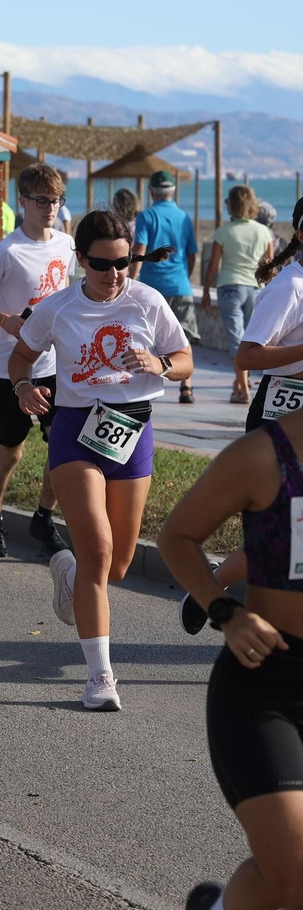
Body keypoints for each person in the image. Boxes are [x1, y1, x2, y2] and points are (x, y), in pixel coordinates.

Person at [9, 210, 189, 711]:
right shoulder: (58, 307)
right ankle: (100, 677)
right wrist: (23, 386)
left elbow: (185, 358)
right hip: (75, 432)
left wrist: (161, 364)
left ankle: (67, 576)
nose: (115, 274)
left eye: (125, 262)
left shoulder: (147, 301)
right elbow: (19, 356)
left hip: (133, 429)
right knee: (99, 551)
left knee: (120, 564)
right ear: (81, 260)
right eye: (103, 264)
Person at [158, 401, 303, 910]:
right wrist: (225, 611)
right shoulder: (265, 455)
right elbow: (177, 537)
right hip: (266, 681)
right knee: (294, 868)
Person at [184, 199, 303, 631]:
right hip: (278, 413)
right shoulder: (290, 286)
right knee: (283, 532)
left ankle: (216, 584)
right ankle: (215, 587)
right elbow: (246, 356)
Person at [0, 163, 75, 558]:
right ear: (22, 201)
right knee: (11, 451)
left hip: (56, 366)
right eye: (41, 200)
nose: (49, 208)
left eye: (56, 200)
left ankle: (43, 518)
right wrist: (5, 320)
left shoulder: (66, 244)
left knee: (63, 446)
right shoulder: (6, 251)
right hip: (9, 366)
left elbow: (70, 292)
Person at [132, 169, 200, 403]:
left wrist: (132, 277)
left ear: (151, 191)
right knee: (184, 338)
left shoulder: (146, 216)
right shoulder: (183, 217)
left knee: (147, 337)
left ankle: (147, 384)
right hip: (180, 285)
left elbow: (139, 249)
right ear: (173, 191)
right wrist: (185, 277)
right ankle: (186, 386)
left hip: (152, 288)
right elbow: (192, 254)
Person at [205, 185, 274, 405]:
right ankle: (238, 385)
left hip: (230, 288)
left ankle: (244, 390)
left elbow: (213, 267)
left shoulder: (224, 231)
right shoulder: (264, 232)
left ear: (232, 205)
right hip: (255, 289)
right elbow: (270, 267)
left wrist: (206, 290)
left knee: (236, 341)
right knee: (250, 339)